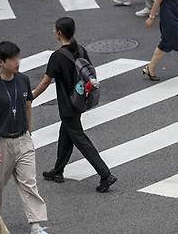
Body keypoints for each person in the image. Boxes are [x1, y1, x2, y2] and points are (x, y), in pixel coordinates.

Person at [0, 41, 56, 234]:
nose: (17, 62)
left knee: (29, 183)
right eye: (12, 59)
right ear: (1, 62)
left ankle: (37, 226)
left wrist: (29, 129)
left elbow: (27, 104)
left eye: (18, 57)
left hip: (22, 139)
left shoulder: (23, 79)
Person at [32, 17, 119, 190]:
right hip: (80, 100)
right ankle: (57, 171)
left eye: (54, 30)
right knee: (66, 134)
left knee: (79, 138)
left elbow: (45, 82)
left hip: (67, 104)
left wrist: (30, 96)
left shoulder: (57, 56)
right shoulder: (81, 49)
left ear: (58, 33)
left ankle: (105, 174)